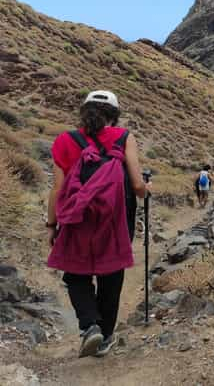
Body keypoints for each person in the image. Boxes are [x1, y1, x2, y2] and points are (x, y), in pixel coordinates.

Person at [46, 90, 150, 358]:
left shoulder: (65, 140)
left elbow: (57, 189)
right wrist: (147, 189)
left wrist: (51, 225)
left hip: (77, 218)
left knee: (75, 274)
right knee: (111, 275)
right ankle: (104, 338)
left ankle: (89, 325)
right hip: (115, 221)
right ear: (114, 115)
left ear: (84, 112)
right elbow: (137, 185)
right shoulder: (124, 137)